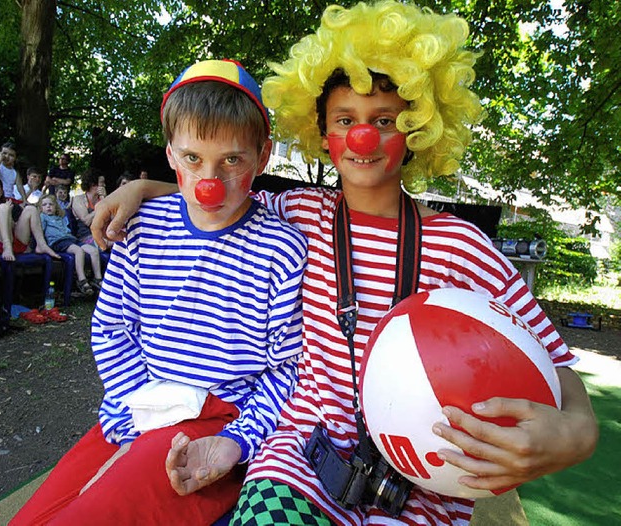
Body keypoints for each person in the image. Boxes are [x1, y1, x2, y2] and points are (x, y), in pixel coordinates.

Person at [93, 2, 598, 525]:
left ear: (419, 128)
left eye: (383, 121)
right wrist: (143, 188)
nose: (362, 138)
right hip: (298, 462)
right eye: (345, 120)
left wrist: (577, 434)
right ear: (322, 131)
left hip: (424, 485)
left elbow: (556, 366)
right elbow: (214, 197)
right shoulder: (300, 213)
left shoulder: (462, 246)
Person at [10, 59, 307, 526]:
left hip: (216, 420)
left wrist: (240, 439)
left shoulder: (282, 248)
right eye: (193, 159)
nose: (210, 183)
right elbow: (112, 327)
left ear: (263, 157)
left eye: (232, 160)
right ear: (170, 154)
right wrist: (135, 414)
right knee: (35, 515)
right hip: (138, 407)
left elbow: (286, 369)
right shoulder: (143, 226)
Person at [39, 194, 102, 295]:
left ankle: (97, 279)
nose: (48, 206)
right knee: (78, 251)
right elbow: (40, 231)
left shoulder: (60, 217)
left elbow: (67, 230)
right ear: (40, 208)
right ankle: (81, 280)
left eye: (51, 204)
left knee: (93, 251)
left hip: (71, 240)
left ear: (56, 207)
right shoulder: (43, 217)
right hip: (58, 242)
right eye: (44, 205)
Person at [71, 169, 105, 247]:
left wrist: (105, 200)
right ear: (93, 184)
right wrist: (103, 204)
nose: (104, 186)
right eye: (102, 183)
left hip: (103, 235)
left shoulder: (103, 199)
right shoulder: (78, 200)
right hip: (86, 238)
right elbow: (87, 220)